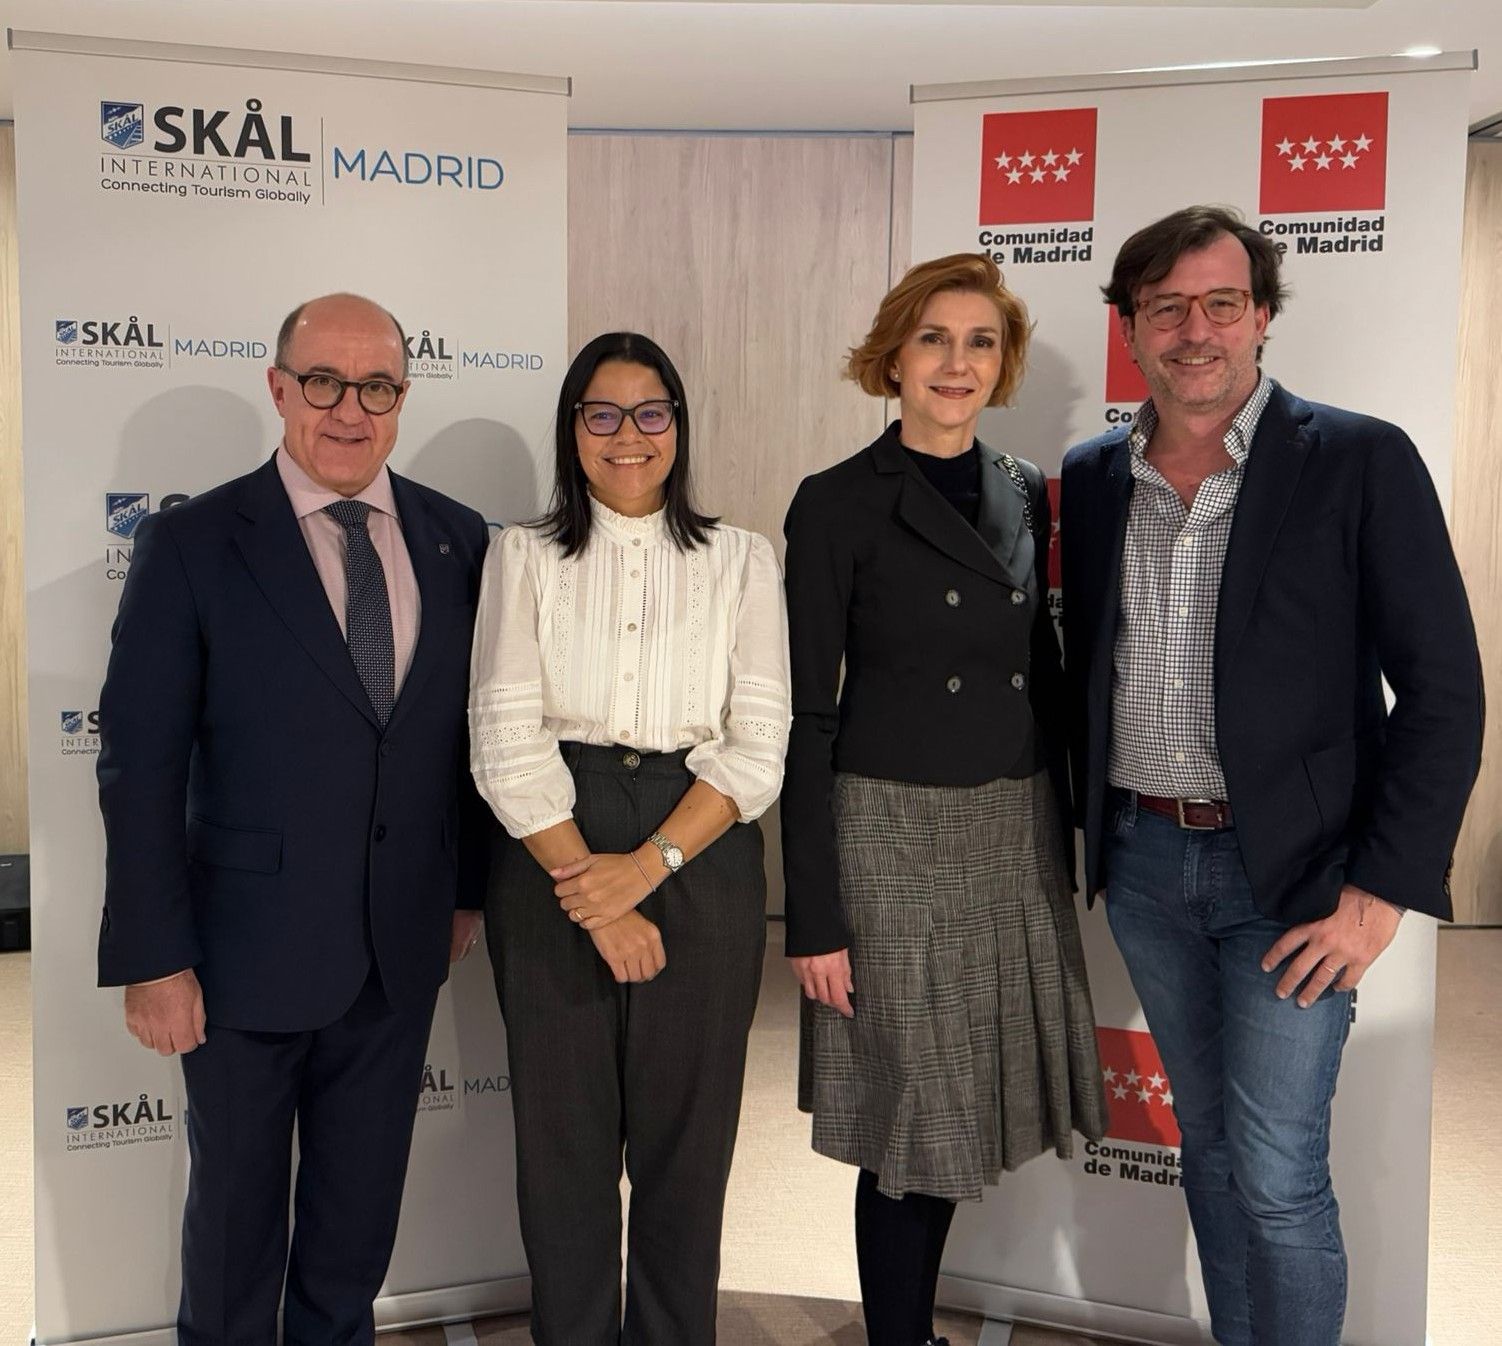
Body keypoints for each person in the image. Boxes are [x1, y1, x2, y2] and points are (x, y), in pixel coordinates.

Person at [1059, 205, 1484, 1346]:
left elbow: (1442, 692)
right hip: (1144, 866)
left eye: (1220, 303)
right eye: (1165, 308)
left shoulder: (1358, 459)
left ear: (1260, 316)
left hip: (1293, 879)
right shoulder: (1093, 476)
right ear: (1129, 329)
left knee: (1277, 1172)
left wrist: (1377, 893)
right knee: (1204, 1149)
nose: (1193, 330)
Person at [95, 293, 492, 1345]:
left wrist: (464, 890)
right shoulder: (191, 541)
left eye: (377, 387)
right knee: (233, 1231)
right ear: (278, 388)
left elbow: (470, 740)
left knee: (353, 1232)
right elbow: (139, 765)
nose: (349, 410)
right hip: (240, 959)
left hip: (395, 954)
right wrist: (154, 954)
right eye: (324, 382)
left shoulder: (458, 540)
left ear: (402, 397)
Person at [782, 253, 1108, 1346]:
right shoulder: (835, 502)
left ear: (1001, 362)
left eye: (979, 341)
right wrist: (814, 915)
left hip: (1008, 823)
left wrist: (1076, 832)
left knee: (967, 1100)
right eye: (932, 338)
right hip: (890, 833)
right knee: (910, 1117)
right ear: (892, 358)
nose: (955, 363)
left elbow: (1042, 670)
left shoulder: (1021, 486)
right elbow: (807, 716)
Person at [468, 331, 790, 1345]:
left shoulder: (743, 558)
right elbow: (503, 739)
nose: (627, 435)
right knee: (559, 1148)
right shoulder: (521, 554)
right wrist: (593, 892)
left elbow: (758, 744)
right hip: (551, 841)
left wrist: (647, 869)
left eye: (650, 412)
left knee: (687, 1148)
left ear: (677, 426)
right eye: (600, 413)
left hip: (701, 840)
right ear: (573, 429)